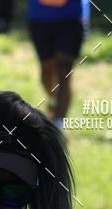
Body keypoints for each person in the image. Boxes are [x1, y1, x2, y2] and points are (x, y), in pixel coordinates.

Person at [27, 0, 90, 128]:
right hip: (40, 17)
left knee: (64, 70)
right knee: (47, 70)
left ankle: (58, 125)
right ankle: (53, 100)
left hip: (72, 17)